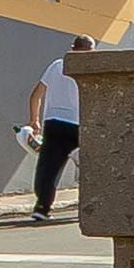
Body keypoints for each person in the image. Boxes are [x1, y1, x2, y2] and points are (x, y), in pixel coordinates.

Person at [25, 39, 83, 224]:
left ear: (72, 49)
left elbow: (36, 95)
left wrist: (34, 119)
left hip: (54, 124)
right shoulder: (88, 69)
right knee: (91, 168)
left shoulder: (57, 65)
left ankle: (42, 208)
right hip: (78, 127)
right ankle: (91, 207)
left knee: (48, 169)